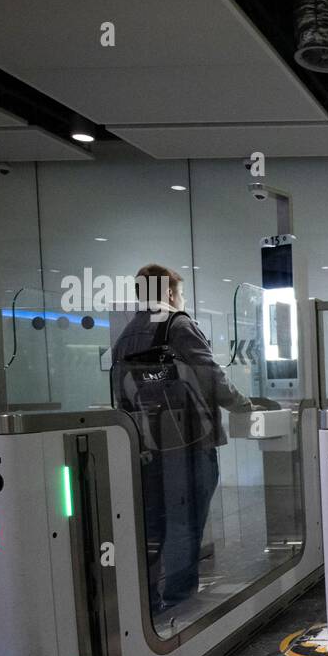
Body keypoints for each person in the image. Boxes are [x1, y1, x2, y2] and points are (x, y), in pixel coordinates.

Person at [110, 264, 252, 617]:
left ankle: (149, 604)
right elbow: (210, 374)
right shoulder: (179, 325)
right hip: (190, 442)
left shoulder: (126, 335)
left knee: (153, 523)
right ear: (171, 293)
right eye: (181, 292)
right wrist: (243, 405)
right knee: (186, 521)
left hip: (146, 446)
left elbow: (120, 396)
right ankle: (179, 602)